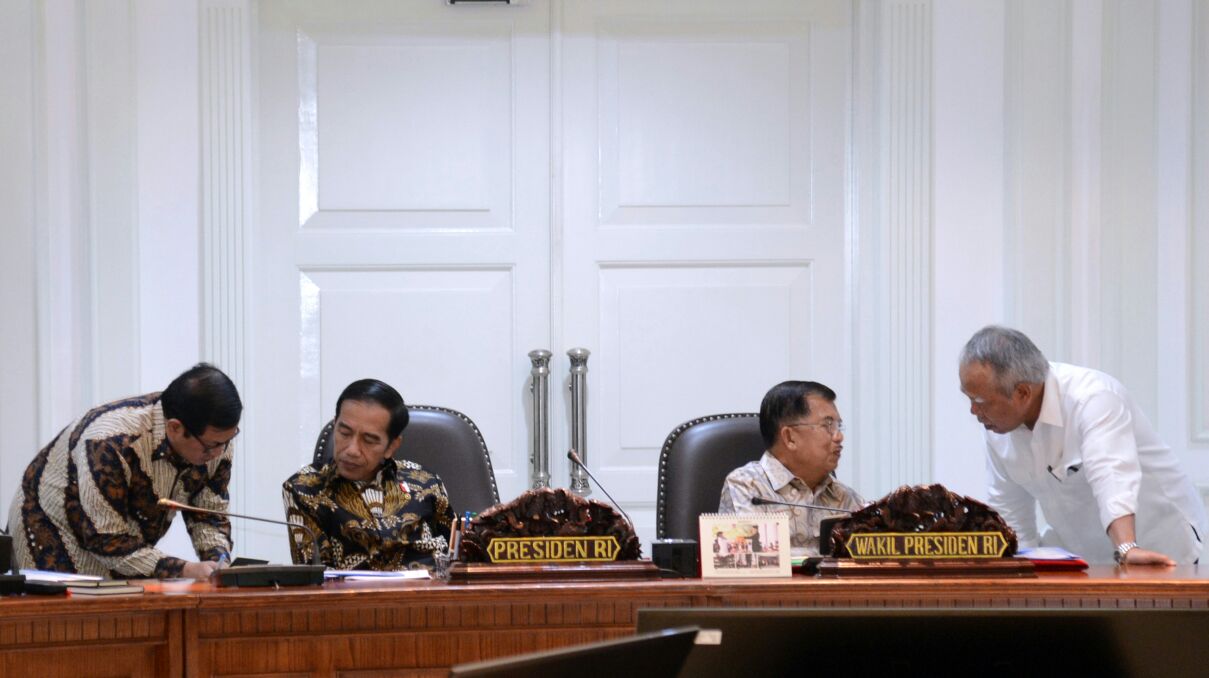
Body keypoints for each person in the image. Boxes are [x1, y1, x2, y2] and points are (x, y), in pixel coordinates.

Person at [959, 325, 1207, 565]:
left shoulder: (1093, 398)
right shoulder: (997, 427)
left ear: (1023, 393)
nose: (973, 410)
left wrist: (1127, 547)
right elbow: (1009, 509)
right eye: (968, 398)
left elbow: (1111, 475)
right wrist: (1020, 575)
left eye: (980, 400)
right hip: (1085, 558)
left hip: (1161, 547)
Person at [7, 363, 241, 579]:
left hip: (120, 542)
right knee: (73, 620)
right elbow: (106, 539)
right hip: (52, 529)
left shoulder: (213, 442)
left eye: (228, 441)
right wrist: (185, 569)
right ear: (175, 428)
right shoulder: (109, 443)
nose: (220, 453)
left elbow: (209, 513)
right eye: (213, 445)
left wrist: (217, 562)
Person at [282, 379, 454, 570]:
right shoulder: (305, 488)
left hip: (430, 595)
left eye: (369, 440)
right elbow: (313, 578)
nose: (352, 450)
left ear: (391, 446)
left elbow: (457, 558)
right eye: (344, 433)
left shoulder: (425, 482)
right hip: (351, 598)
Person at [719, 381, 864, 555]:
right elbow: (751, 562)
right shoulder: (747, 487)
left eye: (838, 426)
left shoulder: (844, 498)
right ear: (790, 437)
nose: (839, 436)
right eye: (827, 425)